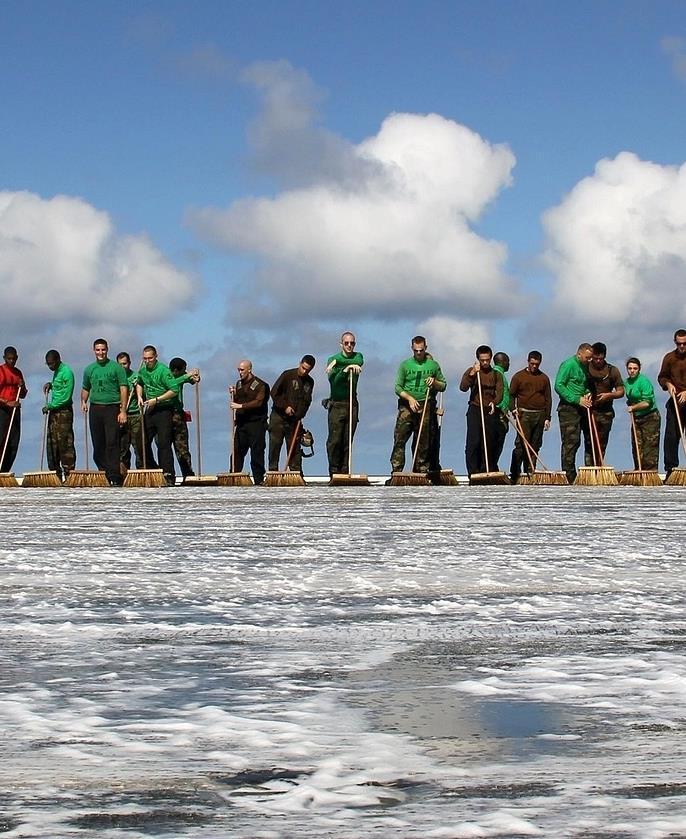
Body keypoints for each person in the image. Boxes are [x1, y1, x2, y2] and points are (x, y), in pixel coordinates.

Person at [136, 346, 197, 487]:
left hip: (164, 409)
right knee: (140, 441)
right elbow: (139, 382)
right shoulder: (143, 369)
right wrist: (139, 396)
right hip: (149, 408)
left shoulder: (164, 371)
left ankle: (168, 474)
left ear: (156, 356)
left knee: (164, 443)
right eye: (145, 359)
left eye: (150, 358)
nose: (147, 361)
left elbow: (174, 390)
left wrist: (157, 399)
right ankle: (153, 468)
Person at [391, 336, 446, 474]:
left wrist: (434, 382)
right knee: (400, 438)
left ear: (425, 348)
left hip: (426, 403)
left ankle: (421, 470)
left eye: (421, 350)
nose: (419, 353)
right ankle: (397, 470)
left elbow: (443, 385)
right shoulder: (405, 365)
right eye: (416, 351)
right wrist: (409, 399)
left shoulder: (433, 365)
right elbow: (397, 387)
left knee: (423, 440)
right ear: (412, 349)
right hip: (407, 405)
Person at [81, 338, 128, 486]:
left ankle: (114, 475)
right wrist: (83, 401)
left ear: (107, 350)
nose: (100, 352)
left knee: (112, 442)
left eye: (103, 349)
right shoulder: (89, 369)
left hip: (112, 407)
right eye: (98, 349)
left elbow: (123, 388)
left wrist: (123, 410)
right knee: (98, 444)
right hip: (95, 408)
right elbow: (86, 388)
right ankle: (104, 471)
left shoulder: (116, 368)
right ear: (94, 350)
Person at [508, 350, 552, 482]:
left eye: (537, 364)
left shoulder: (544, 378)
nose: (534, 366)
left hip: (540, 414)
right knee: (521, 445)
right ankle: (515, 473)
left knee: (535, 445)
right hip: (523, 414)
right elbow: (511, 395)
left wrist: (547, 418)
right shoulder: (518, 377)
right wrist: (513, 409)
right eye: (532, 363)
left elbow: (548, 399)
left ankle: (530, 471)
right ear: (528, 361)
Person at [459, 345, 503, 477]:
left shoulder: (496, 374)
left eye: (487, 360)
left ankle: (486, 469)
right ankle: (473, 472)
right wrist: (472, 374)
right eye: (482, 360)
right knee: (474, 441)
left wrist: (494, 402)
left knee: (489, 442)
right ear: (478, 359)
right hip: (475, 409)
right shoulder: (472, 371)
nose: (485, 363)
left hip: (489, 410)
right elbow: (463, 387)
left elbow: (500, 393)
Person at [268, 355, 316, 474]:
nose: (304, 371)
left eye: (307, 370)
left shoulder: (310, 382)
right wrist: (285, 407)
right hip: (278, 416)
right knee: (275, 445)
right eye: (303, 368)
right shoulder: (287, 375)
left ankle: (296, 473)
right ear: (300, 363)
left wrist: (300, 414)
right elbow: (274, 393)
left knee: (294, 448)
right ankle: (272, 473)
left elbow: (307, 401)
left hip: (295, 420)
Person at [554, 343, 594, 484]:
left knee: (587, 439)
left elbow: (583, 384)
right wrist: (577, 399)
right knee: (571, 441)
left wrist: (587, 393)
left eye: (591, 358)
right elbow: (558, 385)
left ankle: (588, 472)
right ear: (579, 354)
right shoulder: (568, 365)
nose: (590, 361)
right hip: (568, 408)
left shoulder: (585, 366)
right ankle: (568, 474)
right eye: (587, 358)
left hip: (582, 407)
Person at [325, 332, 364, 476]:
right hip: (337, 403)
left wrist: (343, 365)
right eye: (346, 343)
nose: (349, 346)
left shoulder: (357, 356)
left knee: (348, 439)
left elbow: (360, 361)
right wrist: (344, 371)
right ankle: (333, 469)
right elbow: (333, 380)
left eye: (352, 343)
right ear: (341, 344)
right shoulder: (332, 358)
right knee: (335, 440)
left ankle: (345, 469)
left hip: (352, 403)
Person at [230, 359, 269, 484]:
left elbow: (258, 402)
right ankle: (233, 476)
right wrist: (234, 393)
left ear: (249, 369)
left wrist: (240, 407)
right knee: (237, 451)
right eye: (238, 370)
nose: (239, 372)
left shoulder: (261, 385)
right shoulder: (239, 384)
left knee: (257, 452)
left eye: (242, 370)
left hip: (256, 423)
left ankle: (258, 479)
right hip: (242, 424)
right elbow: (239, 399)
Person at [585, 342, 624, 465]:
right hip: (589, 410)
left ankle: (600, 468)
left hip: (606, 412)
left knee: (602, 443)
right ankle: (589, 470)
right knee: (589, 442)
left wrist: (609, 395)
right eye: (595, 358)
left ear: (604, 357)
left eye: (600, 359)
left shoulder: (613, 371)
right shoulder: (585, 368)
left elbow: (621, 391)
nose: (597, 361)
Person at [43, 350, 76, 481]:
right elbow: (58, 388)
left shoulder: (67, 372)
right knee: (52, 444)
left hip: (63, 412)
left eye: (52, 364)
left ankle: (69, 474)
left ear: (58, 360)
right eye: (48, 364)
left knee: (65, 444)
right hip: (54, 412)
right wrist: (51, 385)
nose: (50, 367)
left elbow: (66, 397)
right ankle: (55, 475)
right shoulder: (56, 372)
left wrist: (50, 406)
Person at [657, 328, 686, 479]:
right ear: (675, 342)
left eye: (685, 344)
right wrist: (668, 384)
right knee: (671, 435)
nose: (682, 347)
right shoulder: (669, 358)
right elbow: (661, 377)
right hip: (675, 401)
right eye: (679, 344)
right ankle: (671, 469)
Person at [624, 357, 661, 471]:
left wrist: (633, 407)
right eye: (630, 368)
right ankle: (639, 470)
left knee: (650, 447)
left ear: (639, 369)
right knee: (636, 446)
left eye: (635, 368)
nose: (632, 371)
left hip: (650, 416)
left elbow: (647, 402)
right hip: (636, 417)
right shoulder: (626, 382)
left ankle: (650, 473)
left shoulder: (644, 381)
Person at [169, 357, 198, 482]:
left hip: (179, 414)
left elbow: (190, 379)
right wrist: (187, 376)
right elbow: (175, 382)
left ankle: (188, 475)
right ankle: (169, 475)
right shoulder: (167, 376)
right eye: (183, 370)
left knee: (182, 448)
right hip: (165, 413)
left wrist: (195, 376)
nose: (185, 372)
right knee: (164, 447)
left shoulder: (182, 375)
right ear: (176, 370)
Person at [117, 352, 147, 471]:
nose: (122, 367)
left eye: (124, 364)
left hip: (135, 415)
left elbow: (144, 395)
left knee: (139, 447)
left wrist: (138, 388)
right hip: (121, 416)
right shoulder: (116, 378)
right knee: (122, 448)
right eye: (120, 365)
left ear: (129, 363)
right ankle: (123, 475)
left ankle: (141, 472)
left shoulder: (136, 376)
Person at [0, 346, 28, 472]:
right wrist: (7, 402)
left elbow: (23, 394)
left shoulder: (18, 373)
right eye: (9, 359)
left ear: (17, 358)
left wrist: (21, 387)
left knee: (13, 442)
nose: (11, 361)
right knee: (1, 440)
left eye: (13, 359)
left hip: (15, 411)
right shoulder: (1, 371)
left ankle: (5, 471)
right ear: (4, 358)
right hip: (2, 410)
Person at [492, 351, 511, 469]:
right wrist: (503, 410)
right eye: (508, 362)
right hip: (498, 414)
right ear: (503, 362)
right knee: (497, 442)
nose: (509, 364)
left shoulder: (500, 374)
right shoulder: (498, 374)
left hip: (501, 413)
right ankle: (493, 465)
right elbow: (500, 395)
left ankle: (494, 464)